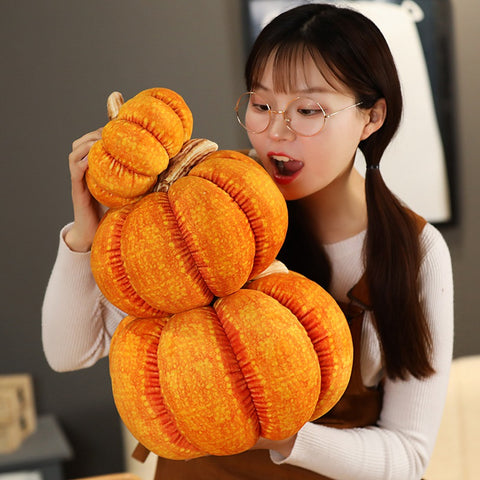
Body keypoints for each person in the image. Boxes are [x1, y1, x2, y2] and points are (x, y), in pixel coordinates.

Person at [42, 3, 453, 479]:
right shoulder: (209, 209)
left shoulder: (414, 252)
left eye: (309, 110)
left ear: (371, 117)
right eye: (261, 105)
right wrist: (85, 229)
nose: (276, 132)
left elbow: (406, 458)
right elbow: (69, 352)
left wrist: (281, 433)